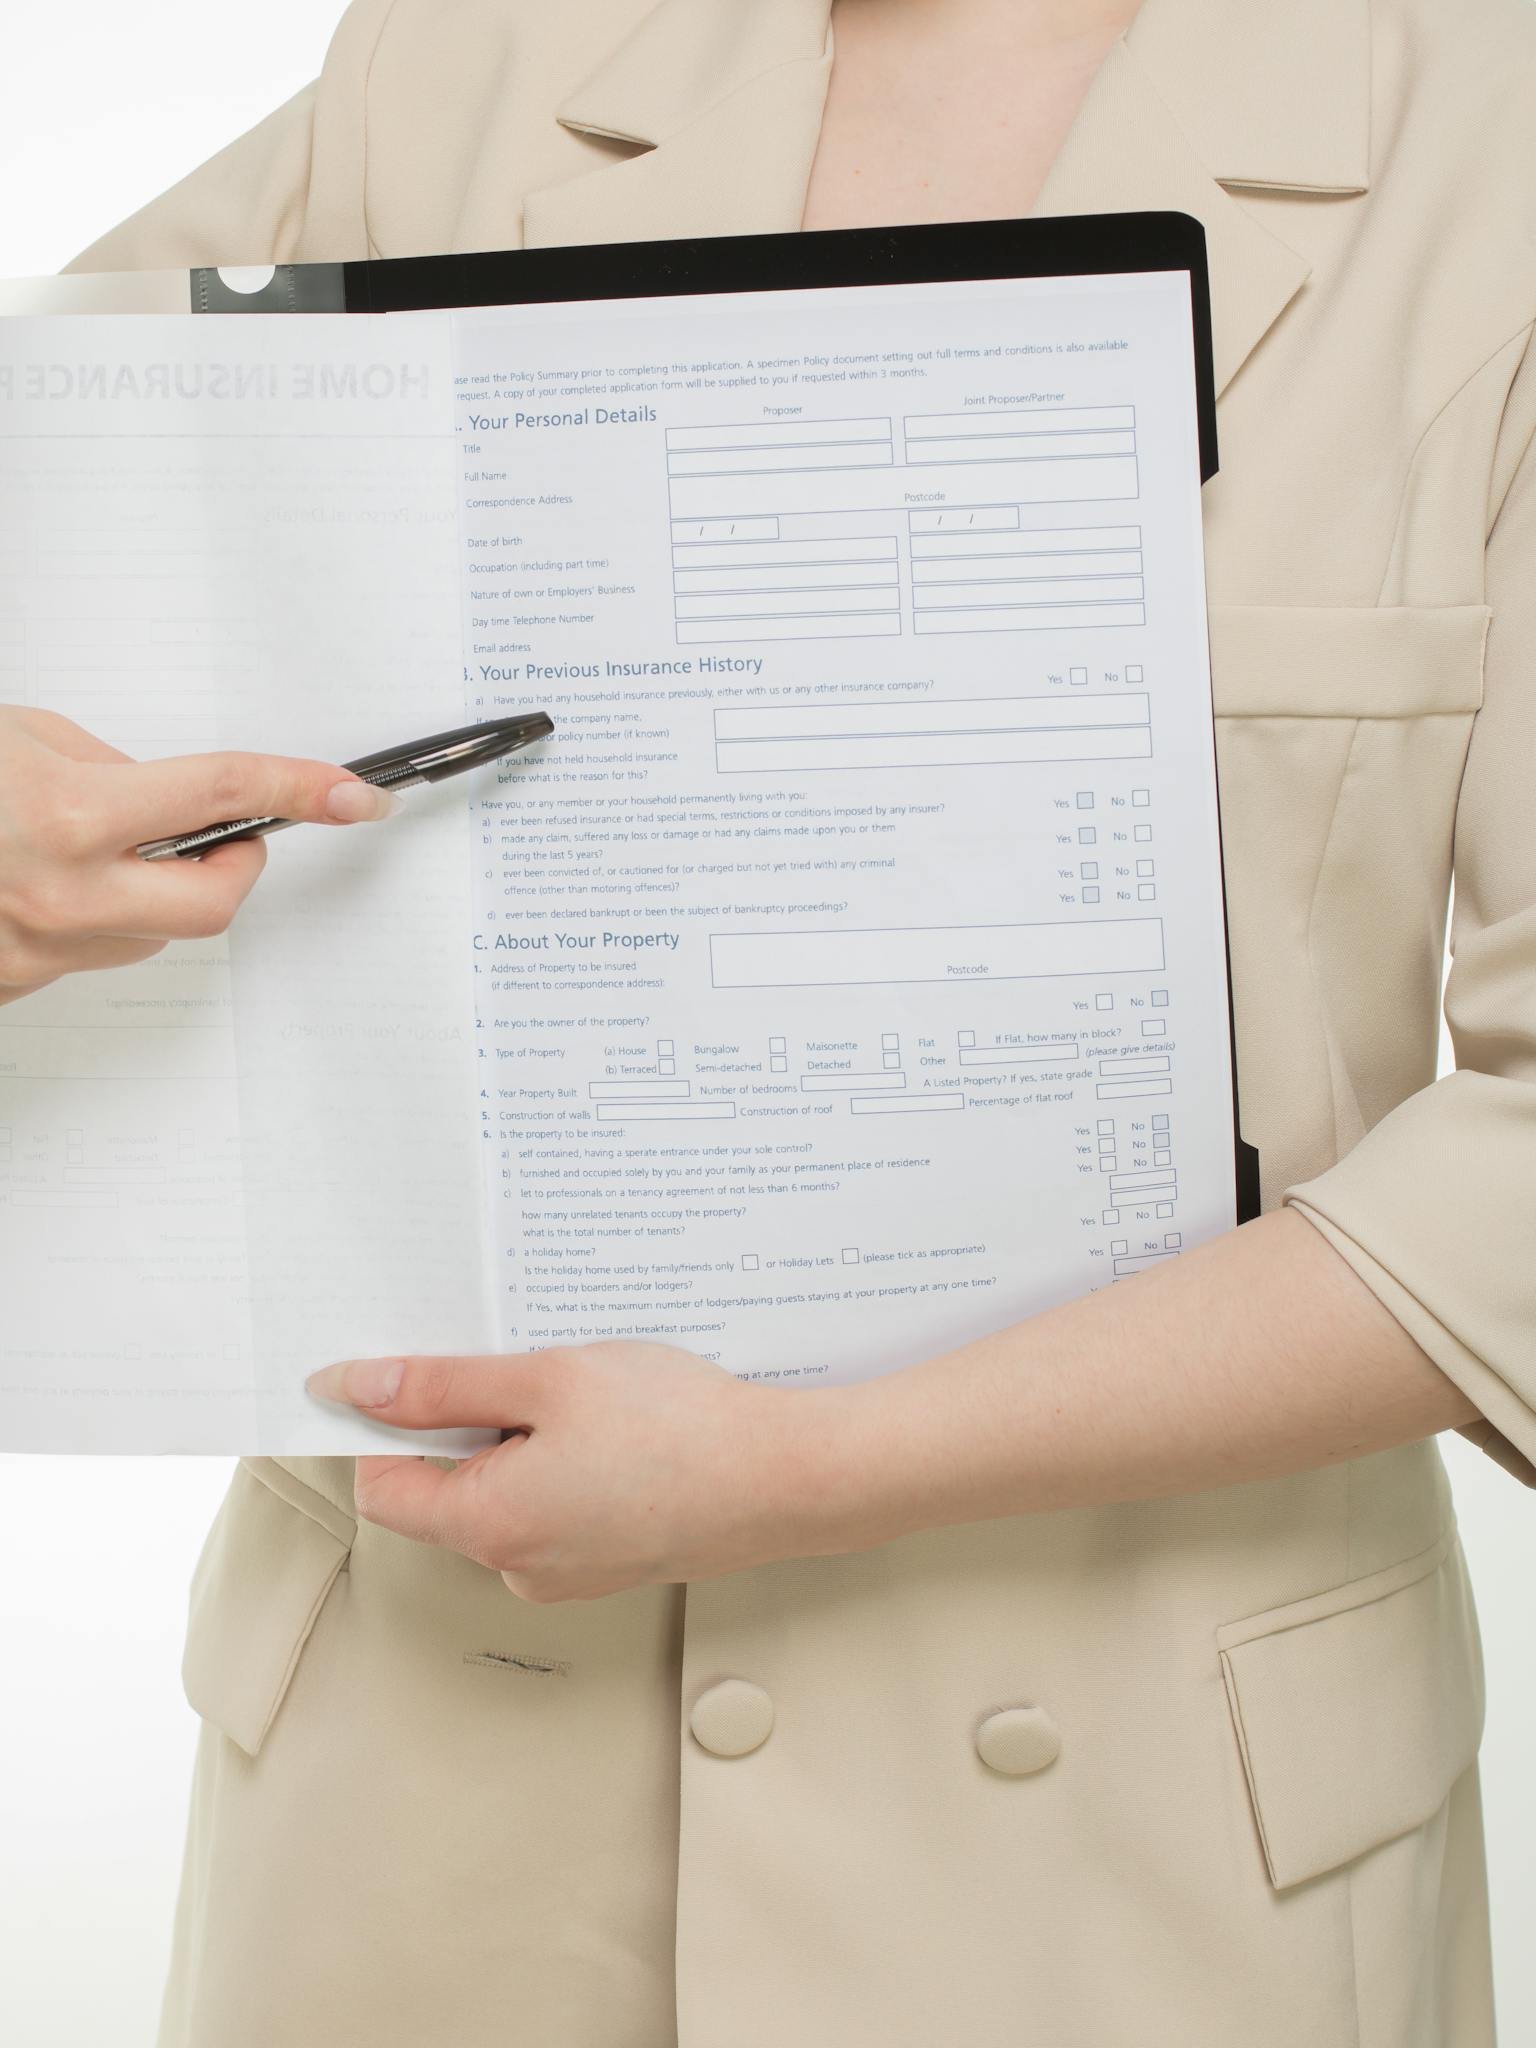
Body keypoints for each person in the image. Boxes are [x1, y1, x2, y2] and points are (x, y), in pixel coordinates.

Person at [7, 0, 1533, 2041]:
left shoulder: (1490, 144)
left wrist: (821, 1462)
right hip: (416, 1838)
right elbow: (59, 532)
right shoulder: (464, 61)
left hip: (1149, 1842)